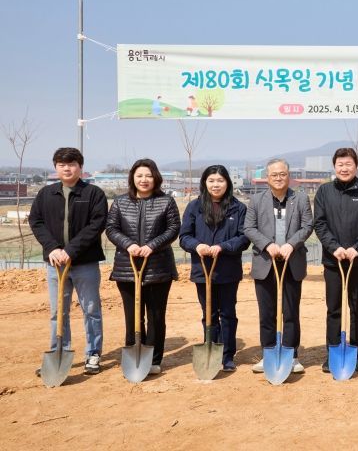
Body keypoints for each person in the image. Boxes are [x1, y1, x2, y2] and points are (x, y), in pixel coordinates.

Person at [29, 147, 107, 375]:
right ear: (55, 167)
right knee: (58, 311)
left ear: (80, 167)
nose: (66, 168)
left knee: (91, 309)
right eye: (61, 164)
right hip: (56, 264)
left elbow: (97, 224)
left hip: (85, 263)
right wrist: (52, 248)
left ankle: (93, 354)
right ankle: (58, 352)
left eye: (72, 164)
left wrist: (71, 250)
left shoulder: (93, 193)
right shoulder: (46, 194)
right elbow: (36, 221)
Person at [106, 158, 180, 375]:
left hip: (158, 267)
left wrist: (152, 246)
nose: (144, 180)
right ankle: (134, 355)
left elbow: (173, 228)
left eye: (148, 175)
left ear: (155, 178)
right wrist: (128, 244)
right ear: (132, 178)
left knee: (156, 316)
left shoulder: (166, 202)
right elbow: (111, 228)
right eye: (139, 175)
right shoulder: (120, 202)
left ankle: (154, 359)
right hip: (127, 268)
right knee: (133, 316)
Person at [244, 158, 314, 374]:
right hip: (265, 263)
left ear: (289, 176)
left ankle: (291, 355)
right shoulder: (256, 200)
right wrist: (268, 245)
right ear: (267, 177)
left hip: (292, 262)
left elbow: (307, 226)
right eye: (274, 174)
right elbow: (249, 228)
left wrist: (291, 244)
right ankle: (268, 354)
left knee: (290, 312)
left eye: (282, 174)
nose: (278, 178)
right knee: (267, 313)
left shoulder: (300, 199)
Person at [314, 148, 358, 373]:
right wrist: (334, 248)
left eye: (348, 164)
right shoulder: (324, 191)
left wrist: (356, 248)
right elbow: (319, 223)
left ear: (356, 166)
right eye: (340, 164)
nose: (344, 168)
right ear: (334, 167)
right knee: (333, 308)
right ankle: (333, 352)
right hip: (333, 261)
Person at [180, 165, 249, 372]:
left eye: (220, 180)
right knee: (208, 313)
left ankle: (227, 355)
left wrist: (223, 246)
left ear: (227, 183)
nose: (215, 185)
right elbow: (184, 236)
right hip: (202, 269)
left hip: (228, 269)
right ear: (204, 183)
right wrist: (197, 246)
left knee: (227, 313)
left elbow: (244, 238)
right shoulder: (194, 207)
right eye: (211, 181)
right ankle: (210, 349)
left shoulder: (238, 208)